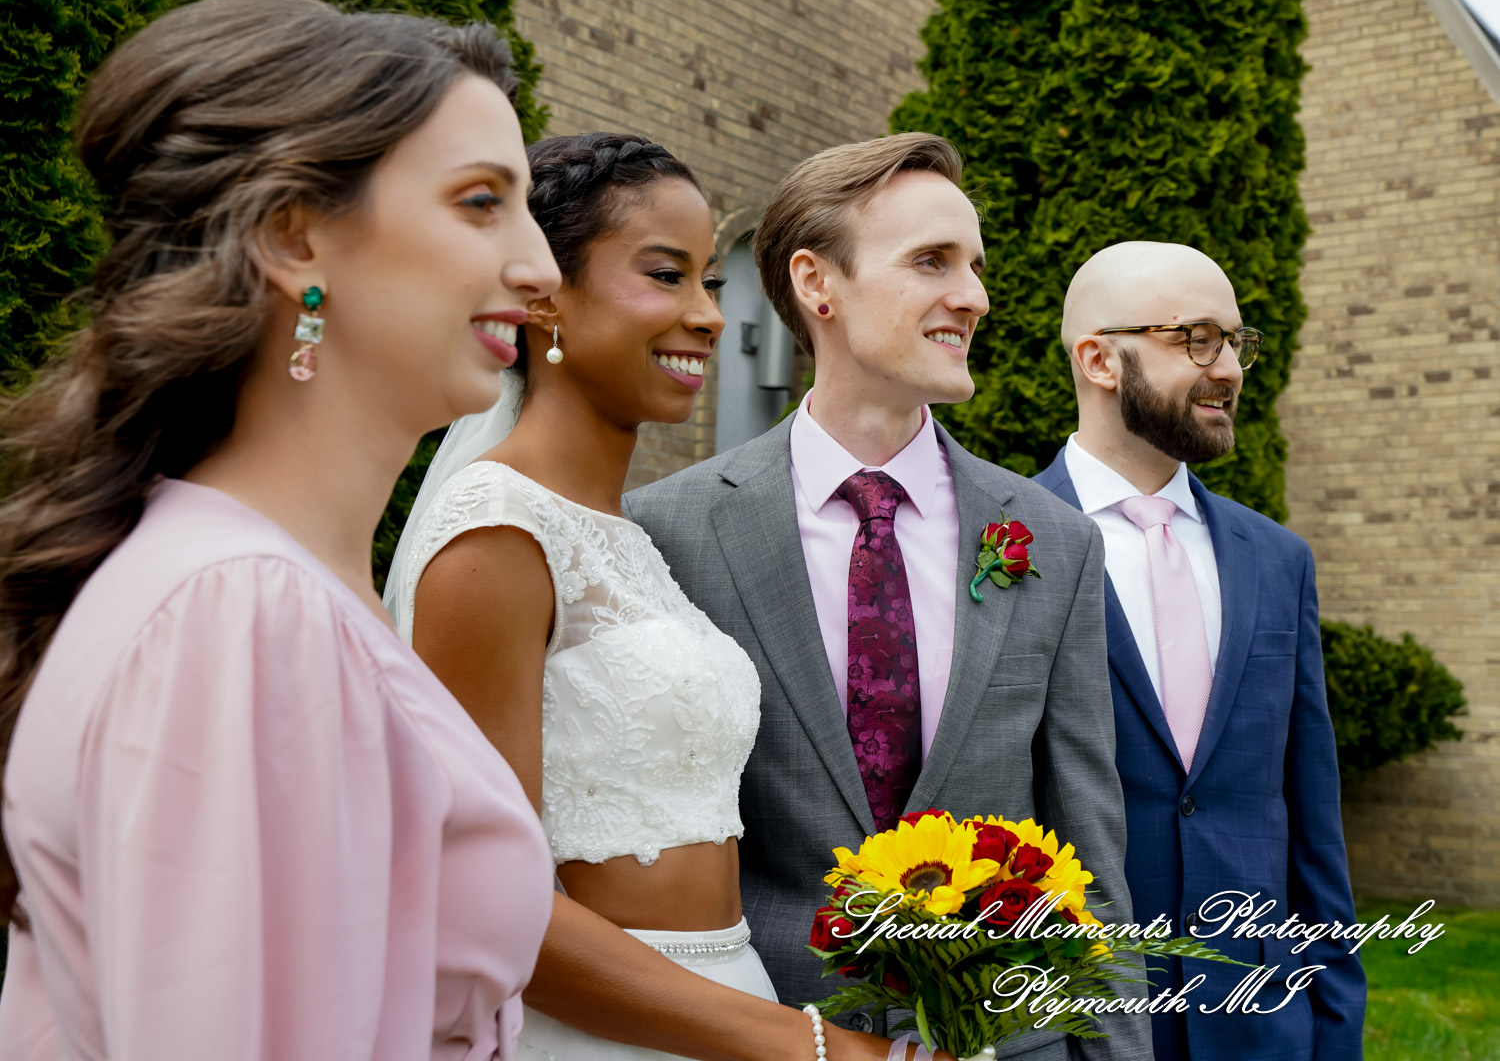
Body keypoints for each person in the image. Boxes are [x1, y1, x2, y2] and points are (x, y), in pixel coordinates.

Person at [0, 0, 562, 1060]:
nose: (539, 266)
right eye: (481, 201)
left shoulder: (254, 586)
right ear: (293, 235)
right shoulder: (241, 614)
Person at [625, 134, 1151, 1060]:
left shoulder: (1056, 541)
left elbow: (1092, 856)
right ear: (817, 284)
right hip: (770, 1035)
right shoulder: (671, 530)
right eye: (932, 261)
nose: (975, 296)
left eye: (976, 266)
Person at [386, 133, 908, 1061]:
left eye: (710, 281)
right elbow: (479, 896)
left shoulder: (629, 536)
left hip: (727, 998)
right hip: (596, 1030)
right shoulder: (496, 530)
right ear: (543, 296)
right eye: (666, 276)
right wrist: (810, 1047)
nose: (708, 316)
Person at [1033, 240, 1366, 1060]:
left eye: (1237, 342)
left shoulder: (1277, 559)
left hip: (1262, 1023)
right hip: (1076, 1018)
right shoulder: (1001, 543)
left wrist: (1333, 1027)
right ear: (1099, 360)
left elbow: (1311, 819)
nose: (1231, 369)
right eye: (1198, 340)